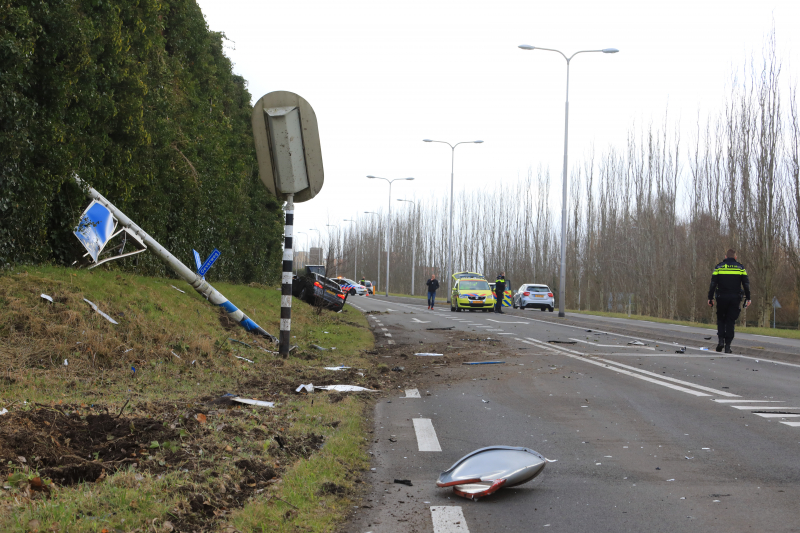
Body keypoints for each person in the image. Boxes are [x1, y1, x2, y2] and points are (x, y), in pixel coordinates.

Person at [708, 249, 751, 353]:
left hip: (721, 297)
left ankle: (720, 341)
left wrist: (710, 298)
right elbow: (746, 284)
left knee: (721, 320)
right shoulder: (740, 267)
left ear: (725, 256)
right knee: (730, 321)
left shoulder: (719, 267)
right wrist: (748, 298)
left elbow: (713, 283)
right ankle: (727, 346)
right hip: (735, 298)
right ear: (735, 257)